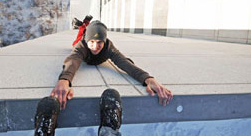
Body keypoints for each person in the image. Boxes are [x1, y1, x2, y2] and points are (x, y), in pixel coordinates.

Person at [34, 20, 173, 135]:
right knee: (72, 46)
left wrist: (148, 79)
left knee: (126, 60)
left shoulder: (108, 47)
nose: (95, 46)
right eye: (92, 41)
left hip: (101, 53)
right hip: (80, 46)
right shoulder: (82, 45)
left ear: (104, 40)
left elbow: (124, 63)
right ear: (87, 40)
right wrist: (64, 80)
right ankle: (83, 26)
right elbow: (73, 60)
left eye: (99, 41)